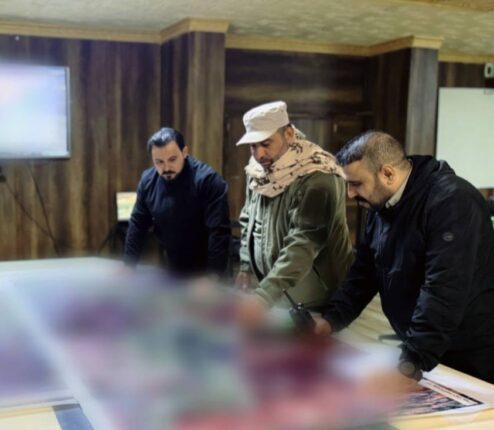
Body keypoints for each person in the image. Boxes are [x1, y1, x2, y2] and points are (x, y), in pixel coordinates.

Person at [316, 131, 494, 388]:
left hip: (469, 350)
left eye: (356, 184)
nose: (350, 194)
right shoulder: (380, 204)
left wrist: (412, 362)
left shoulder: (452, 201)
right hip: (423, 346)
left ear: (387, 174)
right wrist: (331, 319)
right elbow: (364, 272)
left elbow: (443, 289)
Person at [235, 101, 353, 322]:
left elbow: (303, 244)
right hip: (276, 292)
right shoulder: (259, 170)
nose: (259, 154)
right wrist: (245, 265)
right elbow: (248, 218)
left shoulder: (318, 176)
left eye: (266, 143)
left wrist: (263, 296)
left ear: (289, 134)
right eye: (253, 146)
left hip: (316, 298)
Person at [123, 127, 231, 278]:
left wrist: (213, 277)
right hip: (174, 263)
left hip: (209, 264)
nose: (166, 168)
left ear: (184, 152)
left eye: (172, 159)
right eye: (159, 162)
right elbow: (138, 223)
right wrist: (128, 265)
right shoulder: (148, 181)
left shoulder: (208, 181)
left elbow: (219, 231)